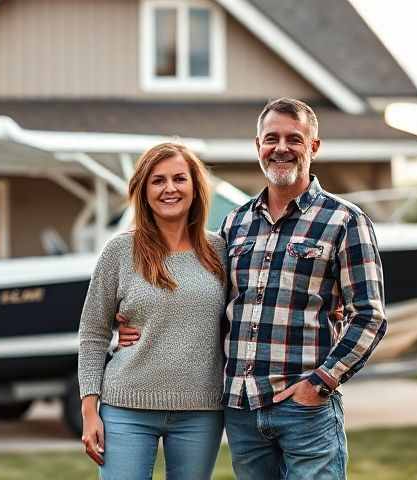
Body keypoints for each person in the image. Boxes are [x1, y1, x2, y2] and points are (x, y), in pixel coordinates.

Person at [118, 97, 388, 479]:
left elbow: (369, 316)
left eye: (294, 139)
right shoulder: (235, 224)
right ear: (257, 146)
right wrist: (136, 319)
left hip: (305, 409)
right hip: (242, 412)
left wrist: (321, 383)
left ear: (314, 146)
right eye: (271, 138)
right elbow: (210, 304)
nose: (281, 148)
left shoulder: (345, 220)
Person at [77, 142, 228, 480]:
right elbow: (92, 333)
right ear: (143, 191)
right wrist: (90, 410)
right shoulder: (120, 250)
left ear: (195, 187)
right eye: (158, 181)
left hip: (201, 410)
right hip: (126, 406)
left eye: (179, 178)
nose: (170, 188)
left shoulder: (220, 250)